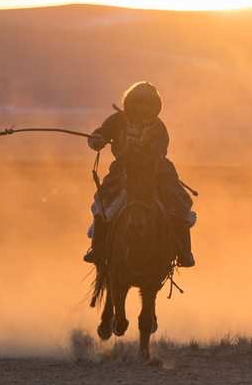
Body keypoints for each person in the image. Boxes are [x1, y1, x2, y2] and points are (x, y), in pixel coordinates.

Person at [82, 81, 196, 267]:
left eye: (147, 103)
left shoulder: (158, 127)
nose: (141, 107)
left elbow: (160, 151)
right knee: (104, 202)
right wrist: (97, 140)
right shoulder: (117, 120)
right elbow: (99, 135)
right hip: (123, 171)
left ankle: (184, 251)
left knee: (179, 202)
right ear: (129, 102)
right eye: (138, 102)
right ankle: (98, 248)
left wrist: (143, 153)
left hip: (156, 171)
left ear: (155, 106)